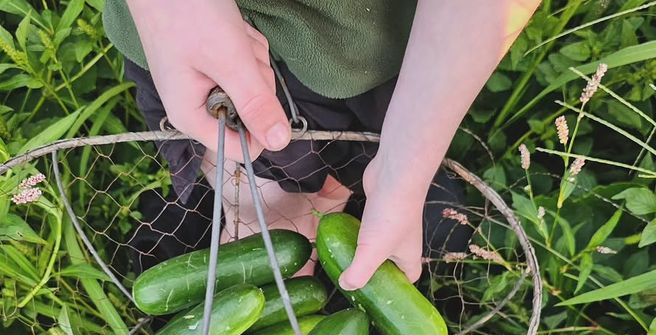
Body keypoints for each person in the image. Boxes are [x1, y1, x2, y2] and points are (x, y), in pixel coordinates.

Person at [102, 0, 541, 286]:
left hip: (361, 49)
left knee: (348, 139)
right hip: (177, 38)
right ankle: (254, 197)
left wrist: (404, 171)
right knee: (226, 136)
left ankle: (323, 191)